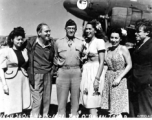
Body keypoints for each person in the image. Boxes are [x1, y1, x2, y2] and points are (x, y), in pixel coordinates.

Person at [54, 19, 84, 118]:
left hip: (76, 71)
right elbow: (55, 57)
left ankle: (74, 115)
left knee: (75, 97)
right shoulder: (58, 42)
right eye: (69, 28)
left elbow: (84, 56)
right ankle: (61, 114)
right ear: (65, 29)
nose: (71, 30)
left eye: (73, 28)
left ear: (75, 30)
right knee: (62, 97)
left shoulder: (80, 42)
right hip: (63, 71)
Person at [101, 28, 132, 118]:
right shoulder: (108, 50)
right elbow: (105, 64)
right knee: (110, 107)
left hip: (120, 79)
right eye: (112, 38)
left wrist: (119, 78)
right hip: (109, 78)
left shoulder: (123, 49)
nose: (113, 40)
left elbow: (129, 65)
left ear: (120, 39)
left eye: (116, 38)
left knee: (118, 107)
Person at [0, 27, 31, 116]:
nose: (20, 41)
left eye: (22, 39)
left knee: (22, 103)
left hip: (23, 79)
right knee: (12, 104)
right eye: (18, 39)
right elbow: (1, 68)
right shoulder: (6, 51)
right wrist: (4, 84)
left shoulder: (24, 51)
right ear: (12, 39)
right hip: (11, 81)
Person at [26, 23, 54, 118]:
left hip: (48, 73)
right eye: (46, 31)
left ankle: (45, 115)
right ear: (39, 33)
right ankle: (35, 116)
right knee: (37, 99)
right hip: (36, 74)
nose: (49, 33)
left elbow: (54, 57)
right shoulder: (31, 42)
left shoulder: (52, 43)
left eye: (49, 31)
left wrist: (52, 70)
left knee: (47, 97)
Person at [80, 20, 106, 117]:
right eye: (86, 29)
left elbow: (102, 61)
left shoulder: (99, 41)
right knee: (86, 99)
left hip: (95, 71)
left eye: (90, 29)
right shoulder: (86, 42)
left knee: (93, 100)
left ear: (95, 30)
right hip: (86, 71)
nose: (87, 31)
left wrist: (97, 78)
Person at [131, 19, 152, 117]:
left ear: (147, 32)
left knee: (146, 112)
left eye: (138, 32)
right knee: (138, 113)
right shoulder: (139, 44)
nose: (136, 33)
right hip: (137, 83)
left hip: (146, 82)